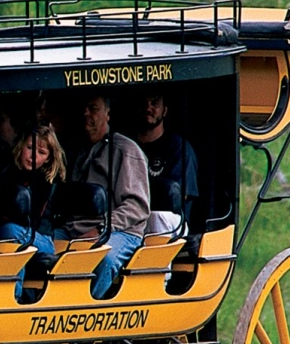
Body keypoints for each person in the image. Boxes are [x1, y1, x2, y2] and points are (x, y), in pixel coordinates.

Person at [68, 94, 149, 300]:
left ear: (108, 114)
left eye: (93, 108)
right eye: (84, 108)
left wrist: (101, 228)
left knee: (105, 258)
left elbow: (137, 207)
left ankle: (83, 309)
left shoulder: (125, 150)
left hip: (121, 231)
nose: (86, 114)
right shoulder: (78, 149)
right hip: (77, 229)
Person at [0, 122, 67, 255]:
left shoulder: (47, 183)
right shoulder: (8, 173)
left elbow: (32, 219)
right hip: (11, 229)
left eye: (41, 152)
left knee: (10, 231)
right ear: (21, 146)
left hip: (40, 237)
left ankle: (13, 275)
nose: (33, 156)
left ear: (48, 158)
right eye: (30, 147)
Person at [134, 93, 198, 235]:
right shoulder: (126, 146)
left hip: (168, 220)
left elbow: (178, 195)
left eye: (155, 104)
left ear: (165, 111)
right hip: (130, 215)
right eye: (144, 104)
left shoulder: (179, 148)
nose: (148, 108)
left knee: (156, 217)